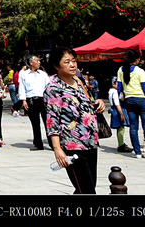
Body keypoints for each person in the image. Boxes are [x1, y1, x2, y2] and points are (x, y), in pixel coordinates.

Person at [44, 46, 105, 194]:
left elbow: (87, 102)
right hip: (72, 145)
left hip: (90, 141)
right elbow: (52, 121)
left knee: (87, 187)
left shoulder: (79, 80)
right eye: (67, 62)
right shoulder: (53, 88)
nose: (72, 65)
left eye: (74, 61)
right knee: (87, 190)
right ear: (56, 65)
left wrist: (99, 103)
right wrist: (57, 149)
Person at [117, 49, 145, 159]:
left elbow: (119, 89)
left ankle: (137, 153)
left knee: (133, 127)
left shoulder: (121, 70)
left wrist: (121, 104)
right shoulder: (140, 71)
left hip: (129, 101)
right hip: (142, 101)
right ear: (136, 59)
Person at [18, 55, 50, 150]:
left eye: (39, 61)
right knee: (35, 123)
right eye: (37, 61)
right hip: (31, 99)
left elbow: (48, 87)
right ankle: (38, 144)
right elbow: (22, 87)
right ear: (31, 62)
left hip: (43, 99)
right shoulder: (24, 74)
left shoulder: (43, 74)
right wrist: (23, 100)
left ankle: (53, 144)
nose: (39, 63)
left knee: (48, 122)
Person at [108, 78, 131, 153]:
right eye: (117, 83)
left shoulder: (110, 91)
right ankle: (121, 145)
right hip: (118, 110)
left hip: (114, 110)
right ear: (113, 84)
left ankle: (121, 144)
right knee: (121, 129)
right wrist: (121, 114)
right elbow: (117, 104)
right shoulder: (115, 92)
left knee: (120, 128)